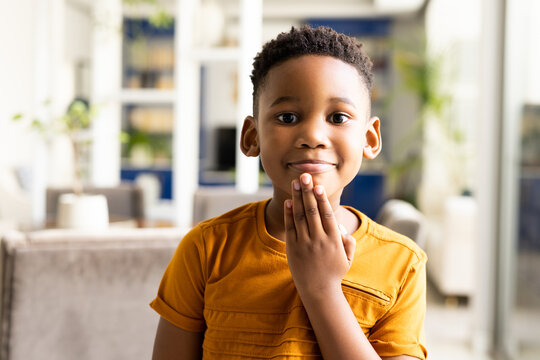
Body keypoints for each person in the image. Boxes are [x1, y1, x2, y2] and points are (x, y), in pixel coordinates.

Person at [150, 25, 427, 360]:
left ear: (369, 139)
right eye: (287, 116)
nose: (312, 135)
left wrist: (321, 289)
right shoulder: (206, 249)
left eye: (338, 117)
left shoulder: (402, 263)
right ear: (252, 137)